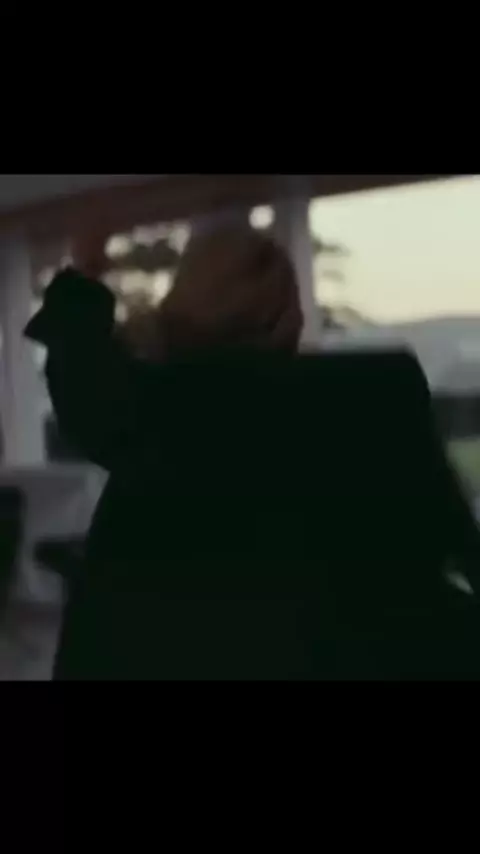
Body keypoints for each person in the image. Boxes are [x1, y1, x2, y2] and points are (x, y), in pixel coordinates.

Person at [25, 225, 480, 680]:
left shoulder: (147, 408)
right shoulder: (377, 394)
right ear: (290, 318)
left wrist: (88, 266)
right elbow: (449, 530)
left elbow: (77, 350)